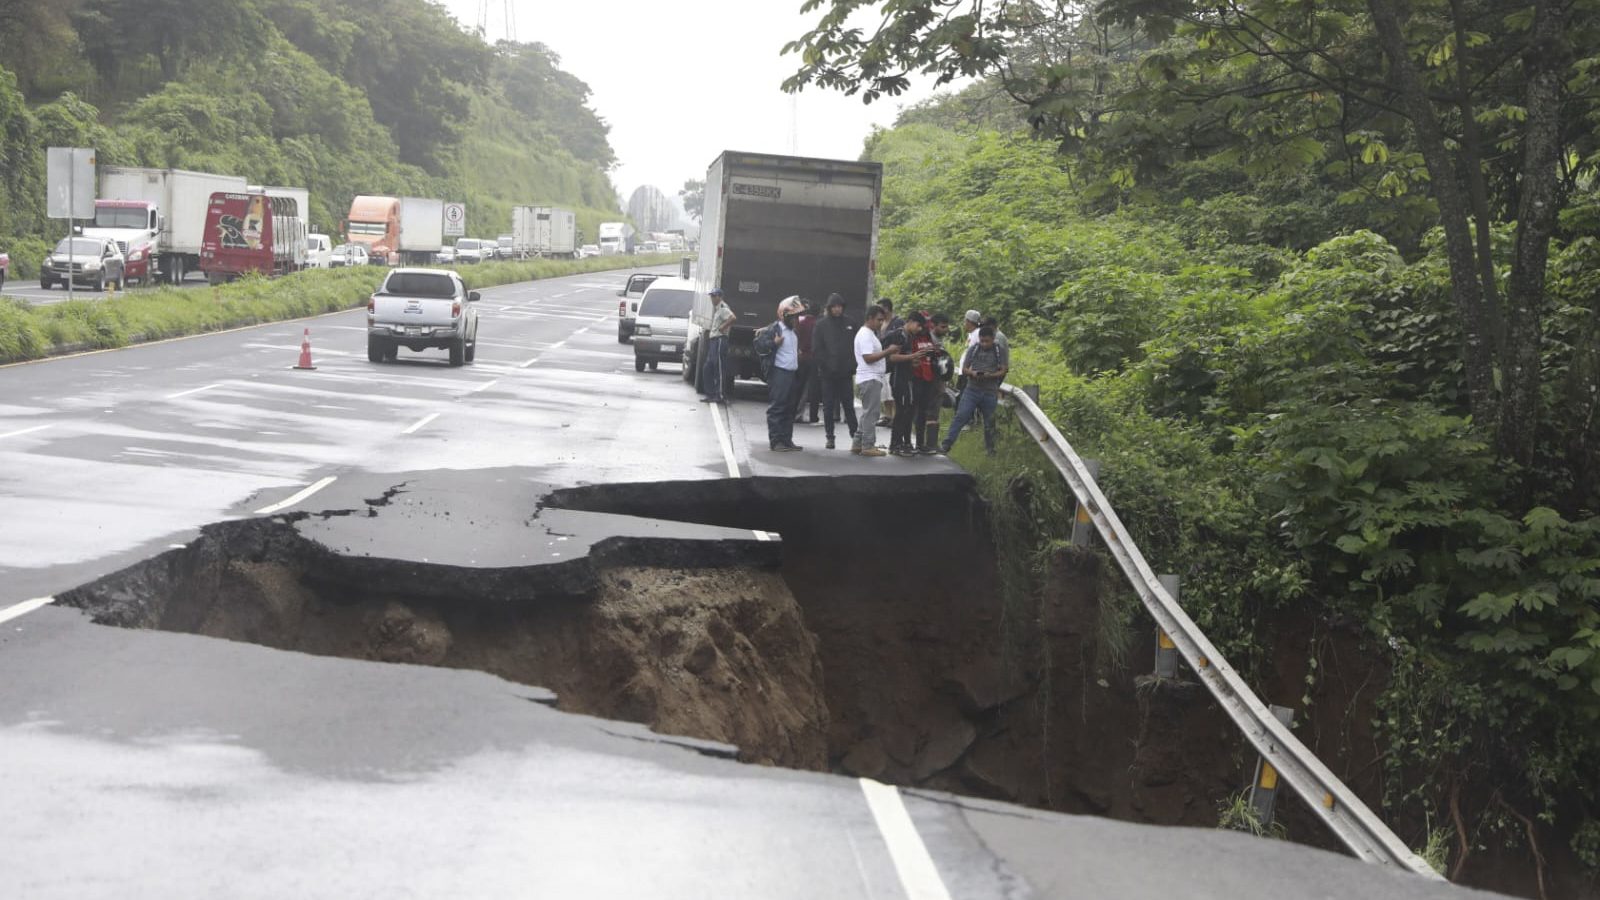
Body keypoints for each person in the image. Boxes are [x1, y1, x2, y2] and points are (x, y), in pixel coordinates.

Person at [939, 326, 1009, 456]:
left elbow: (1004, 370)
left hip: (990, 391)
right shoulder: (974, 349)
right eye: (982, 341)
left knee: (989, 422)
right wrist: (973, 373)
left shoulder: (1000, 351)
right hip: (972, 390)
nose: (984, 344)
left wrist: (990, 375)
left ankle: (990, 450)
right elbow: (964, 368)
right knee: (961, 416)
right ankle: (946, 444)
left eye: (987, 341)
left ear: (993, 339)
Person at [810, 293, 859, 449]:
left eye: (840, 306)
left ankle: (856, 436)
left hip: (846, 373)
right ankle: (830, 437)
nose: (837, 309)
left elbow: (857, 346)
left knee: (848, 405)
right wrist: (825, 365)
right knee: (828, 406)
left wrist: (853, 365)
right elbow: (816, 349)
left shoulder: (850, 323)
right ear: (829, 308)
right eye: (834, 307)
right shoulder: (821, 325)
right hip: (827, 374)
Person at [884, 312, 932, 457]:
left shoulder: (909, 336)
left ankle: (902, 443)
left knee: (907, 411)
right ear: (910, 321)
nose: (919, 329)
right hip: (899, 379)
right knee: (901, 412)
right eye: (918, 325)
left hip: (907, 378)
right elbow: (892, 357)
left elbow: (905, 358)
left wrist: (913, 361)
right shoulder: (899, 335)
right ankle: (895, 444)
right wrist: (912, 356)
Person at [852, 304, 898, 458]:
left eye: (883, 320)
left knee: (868, 412)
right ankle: (868, 445)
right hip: (870, 377)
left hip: (871, 377)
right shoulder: (865, 334)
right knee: (872, 413)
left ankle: (858, 443)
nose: (881, 323)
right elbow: (868, 358)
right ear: (870, 318)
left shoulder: (869, 333)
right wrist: (888, 351)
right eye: (879, 320)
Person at [762, 297, 805, 452]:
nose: (796, 320)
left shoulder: (792, 332)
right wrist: (774, 343)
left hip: (792, 373)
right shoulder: (775, 329)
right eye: (793, 317)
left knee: (790, 408)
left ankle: (786, 440)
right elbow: (760, 346)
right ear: (783, 315)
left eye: (796, 317)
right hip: (780, 373)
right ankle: (776, 441)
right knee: (778, 407)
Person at [914, 313, 952, 454]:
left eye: (947, 327)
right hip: (931, 380)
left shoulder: (936, 339)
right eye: (942, 327)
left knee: (931, 411)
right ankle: (930, 444)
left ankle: (928, 443)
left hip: (936, 379)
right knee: (932, 411)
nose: (945, 330)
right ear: (933, 326)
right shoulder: (930, 340)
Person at [698, 288, 735, 404]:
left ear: (720, 297)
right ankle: (710, 394)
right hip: (714, 341)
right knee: (707, 368)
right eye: (711, 296)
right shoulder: (717, 308)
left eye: (714, 296)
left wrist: (723, 327)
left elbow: (733, 317)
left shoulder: (723, 308)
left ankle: (720, 395)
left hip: (720, 340)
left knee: (718, 368)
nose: (712, 298)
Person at [791, 297, 820, 424]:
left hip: (801, 357)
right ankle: (808, 415)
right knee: (811, 389)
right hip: (813, 359)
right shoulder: (818, 325)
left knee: (798, 386)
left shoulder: (801, 323)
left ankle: (793, 412)